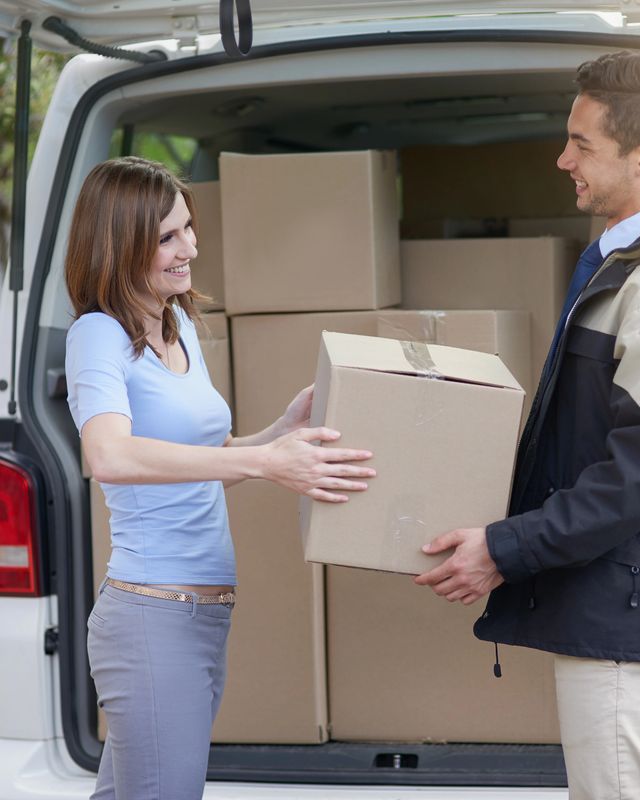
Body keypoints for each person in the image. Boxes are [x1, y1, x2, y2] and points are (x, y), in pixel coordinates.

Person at [415, 51, 640, 799]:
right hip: (619, 607)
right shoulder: (633, 266)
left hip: (632, 625)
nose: (561, 158)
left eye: (582, 144)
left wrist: (506, 550)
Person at [64, 156, 376, 800]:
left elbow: (198, 464)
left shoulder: (174, 327)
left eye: (189, 229)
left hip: (202, 616)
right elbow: (110, 457)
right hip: (153, 614)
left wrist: (275, 435)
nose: (192, 248)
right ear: (120, 245)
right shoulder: (97, 335)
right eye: (168, 237)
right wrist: (265, 462)